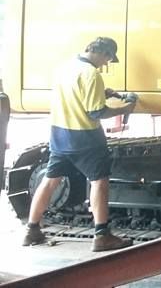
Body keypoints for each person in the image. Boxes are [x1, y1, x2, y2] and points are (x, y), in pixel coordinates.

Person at [22, 37, 138, 252]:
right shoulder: (91, 74)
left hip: (59, 134)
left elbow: (74, 95)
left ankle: (32, 230)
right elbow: (96, 112)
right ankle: (102, 235)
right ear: (105, 54)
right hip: (85, 138)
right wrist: (125, 108)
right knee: (98, 182)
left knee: (50, 181)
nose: (105, 65)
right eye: (108, 61)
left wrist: (104, 94)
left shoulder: (65, 67)